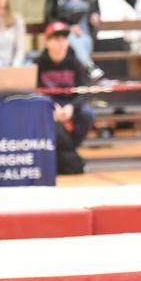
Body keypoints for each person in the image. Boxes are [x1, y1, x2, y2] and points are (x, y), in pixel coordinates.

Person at [36, 22, 96, 173]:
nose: (61, 43)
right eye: (56, 39)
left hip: (70, 105)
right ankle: (70, 154)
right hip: (48, 107)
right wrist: (50, 106)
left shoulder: (75, 63)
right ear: (47, 42)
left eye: (64, 39)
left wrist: (72, 107)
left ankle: (70, 149)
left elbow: (85, 91)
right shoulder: (38, 64)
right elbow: (34, 92)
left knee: (88, 114)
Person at [44, 0, 100, 69]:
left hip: (85, 33)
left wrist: (95, 16)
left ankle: (87, 68)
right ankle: (88, 67)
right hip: (63, 34)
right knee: (71, 38)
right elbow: (49, 17)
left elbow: (96, 10)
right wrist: (68, 28)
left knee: (82, 41)